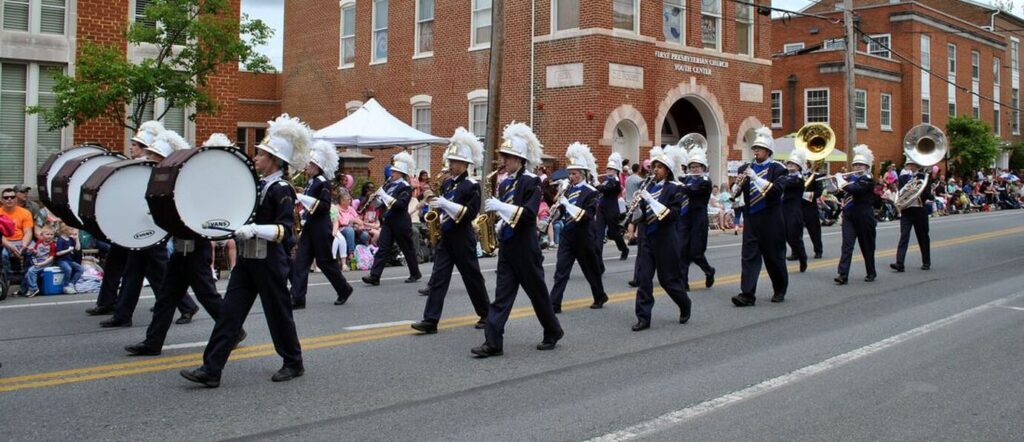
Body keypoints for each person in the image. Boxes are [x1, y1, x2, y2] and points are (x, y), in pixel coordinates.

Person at [181, 114, 311, 388]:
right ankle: (211, 368)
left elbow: (285, 231)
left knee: (278, 313)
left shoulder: (282, 189)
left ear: (274, 161)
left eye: (261, 155)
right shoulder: (257, 185)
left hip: (270, 262)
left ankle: (293, 361)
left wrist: (254, 230)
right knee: (229, 314)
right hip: (248, 260)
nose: (256, 158)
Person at [125, 133, 233, 356]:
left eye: (155, 157)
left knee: (208, 296)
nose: (150, 160)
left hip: (195, 248)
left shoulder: (187, 181)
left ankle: (233, 330)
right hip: (180, 247)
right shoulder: (161, 182)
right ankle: (153, 343)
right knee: (166, 296)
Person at [472, 122, 563, 357]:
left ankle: (552, 330)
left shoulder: (532, 181)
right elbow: (508, 214)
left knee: (538, 295)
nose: (505, 161)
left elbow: (529, 214)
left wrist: (501, 206)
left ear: (521, 159)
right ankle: (493, 342)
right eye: (505, 156)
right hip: (509, 245)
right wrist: (498, 222)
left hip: (526, 247)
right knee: (501, 296)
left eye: (510, 157)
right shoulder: (505, 183)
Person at [101, 126, 199, 328]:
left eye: (151, 152)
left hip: (155, 230)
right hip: (141, 228)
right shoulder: (142, 170)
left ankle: (187, 305)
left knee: (160, 272)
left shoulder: (160, 174)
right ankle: (123, 314)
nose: (146, 154)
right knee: (133, 272)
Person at [411, 128, 492, 334]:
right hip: (446, 235)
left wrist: (446, 204)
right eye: (451, 160)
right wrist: (435, 206)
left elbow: (469, 213)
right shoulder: (447, 183)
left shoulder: (472, 185)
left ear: (465, 163)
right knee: (439, 278)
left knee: (472, 277)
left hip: (462, 236)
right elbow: (443, 206)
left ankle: (486, 313)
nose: (450, 164)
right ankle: (430, 320)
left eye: (455, 161)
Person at [631, 145, 691, 330]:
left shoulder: (676, 189)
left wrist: (650, 200)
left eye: (659, 167)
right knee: (644, 278)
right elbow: (641, 214)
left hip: (665, 238)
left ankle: (684, 303)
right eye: (653, 166)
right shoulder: (645, 185)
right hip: (647, 236)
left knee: (668, 280)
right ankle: (643, 317)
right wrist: (634, 209)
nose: (655, 170)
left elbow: (672, 215)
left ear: (667, 171)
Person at [290, 140, 353, 308]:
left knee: (325, 263)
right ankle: (298, 297)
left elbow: (324, 205)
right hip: (310, 226)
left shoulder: (323, 182)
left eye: (309, 163)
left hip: (320, 228)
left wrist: (302, 198)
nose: (307, 166)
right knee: (301, 262)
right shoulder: (311, 181)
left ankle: (344, 288)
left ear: (316, 165)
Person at [731, 127, 789, 307]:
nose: (755, 151)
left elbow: (777, 192)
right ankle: (747, 294)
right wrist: (736, 188)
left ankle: (779, 288)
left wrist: (756, 178)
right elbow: (738, 191)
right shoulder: (745, 168)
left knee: (774, 257)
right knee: (749, 256)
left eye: (759, 148)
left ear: (768, 150)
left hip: (771, 218)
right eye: (754, 148)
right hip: (751, 217)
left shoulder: (778, 169)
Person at [549, 142, 608, 313]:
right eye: (570, 174)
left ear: (582, 174)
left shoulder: (591, 192)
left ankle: (599, 295)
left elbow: (586, 215)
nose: (571, 177)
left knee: (590, 271)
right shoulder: (567, 190)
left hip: (583, 236)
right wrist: (557, 208)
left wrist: (567, 205)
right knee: (561, 270)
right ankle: (555, 304)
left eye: (574, 174)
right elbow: (562, 211)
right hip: (568, 235)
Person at [361, 152, 422, 285]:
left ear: (401, 173)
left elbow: (400, 205)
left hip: (400, 222)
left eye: (395, 171)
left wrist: (384, 195)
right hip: (388, 221)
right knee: (383, 248)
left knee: (407, 248)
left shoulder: (405, 187)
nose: (392, 173)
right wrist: (374, 200)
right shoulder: (388, 185)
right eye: (392, 170)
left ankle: (415, 272)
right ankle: (374, 276)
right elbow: (381, 204)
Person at [834, 145, 878, 285]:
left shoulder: (868, 179)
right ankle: (843, 274)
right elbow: (841, 192)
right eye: (856, 164)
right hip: (849, 215)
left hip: (864, 216)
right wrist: (835, 182)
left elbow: (855, 190)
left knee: (867, 246)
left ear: (867, 167)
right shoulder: (850, 177)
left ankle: (871, 271)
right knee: (847, 245)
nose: (858, 167)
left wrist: (841, 181)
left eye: (861, 165)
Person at [677, 143, 716, 290]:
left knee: (696, 253)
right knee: (682, 251)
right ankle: (683, 282)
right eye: (692, 167)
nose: (694, 169)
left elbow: (692, 191)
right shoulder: (686, 180)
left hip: (698, 218)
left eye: (697, 167)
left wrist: (680, 185)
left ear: (703, 168)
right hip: (685, 217)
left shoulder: (705, 181)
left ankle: (708, 270)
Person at [891, 157, 932, 272]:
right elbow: (900, 193)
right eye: (910, 164)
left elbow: (928, 195)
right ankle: (900, 263)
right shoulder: (903, 178)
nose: (911, 166)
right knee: (904, 236)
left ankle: (926, 261)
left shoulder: (924, 178)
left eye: (913, 164)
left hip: (919, 210)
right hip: (907, 211)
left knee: (922, 237)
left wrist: (918, 191)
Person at [595, 152, 629, 262]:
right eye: (608, 169)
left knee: (614, 233)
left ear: (616, 171)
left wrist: (596, 183)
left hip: (612, 210)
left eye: (611, 170)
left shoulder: (616, 182)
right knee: (599, 233)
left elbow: (604, 189)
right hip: (601, 209)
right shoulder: (606, 180)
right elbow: (598, 190)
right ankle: (597, 259)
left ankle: (624, 249)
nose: (608, 171)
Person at [781, 148, 809, 273]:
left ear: (798, 167)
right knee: (784, 235)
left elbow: (788, 183)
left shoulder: (798, 178)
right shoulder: (785, 176)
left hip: (794, 210)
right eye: (789, 163)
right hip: (783, 209)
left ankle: (802, 258)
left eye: (793, 164)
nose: (790, 166)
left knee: (794, 237)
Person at [1, 187, 33, 287]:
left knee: (33, 251)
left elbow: (28, 232)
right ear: (2, 200)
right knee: (3, 255)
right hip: (4, 242)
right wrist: (10, 246)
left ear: (16, 199)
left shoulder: (25, 212)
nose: (9, 199)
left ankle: (26, 285)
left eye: (12, 197)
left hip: (21, 240)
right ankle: (7, 283)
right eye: (6, 198)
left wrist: (24, 245)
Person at [22, 226, 58, 297]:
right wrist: (32, 251)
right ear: (42, 235)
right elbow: (36, 252)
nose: (50, 236)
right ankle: (25, 290)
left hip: (46, 262)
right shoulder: (39, 242)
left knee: (31, 271)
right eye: (47, 234)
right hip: (37, 260)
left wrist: (42, 264)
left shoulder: (52, 245)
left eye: (51, 235)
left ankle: (33, 288)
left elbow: (51, 257)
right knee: (27, 274)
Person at [801, 163, 825, 259]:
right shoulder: (796, 175)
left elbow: (819, 192)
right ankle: (796, 252)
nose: (803, 165)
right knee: (794, 231)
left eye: (804, 163)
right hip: (797, 206)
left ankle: (818, 250)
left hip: (810, 206)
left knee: (814, 230)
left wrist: (804, 195)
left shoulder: (815, 176)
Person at [54, 225, 84, 294]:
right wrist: (68, 250)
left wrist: (77, 239)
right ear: (65, 230)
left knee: (80, 269)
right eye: (70, 229)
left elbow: (77, 248)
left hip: (69, 260)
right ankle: (65, 286)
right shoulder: (60, 240)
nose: (72, 231)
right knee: (68, 269)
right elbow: (58, 253)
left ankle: (71, 284)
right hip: (61, 260)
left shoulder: (70, 239)